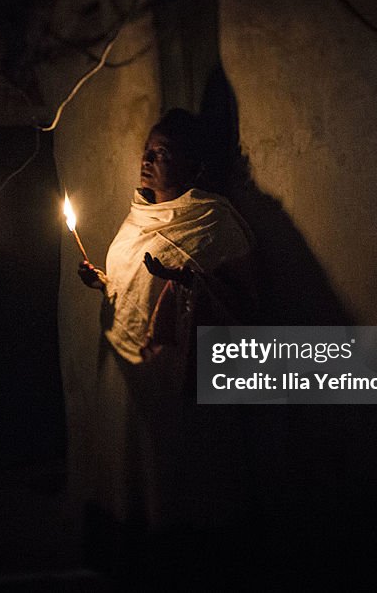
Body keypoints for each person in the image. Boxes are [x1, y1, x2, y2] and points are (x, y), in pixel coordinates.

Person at [77, 108, 259, 584]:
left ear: (194, 167)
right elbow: (131, 288)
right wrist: (103, 282)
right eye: (147, 149)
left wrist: (187, 282)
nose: (147, 158)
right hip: (124, 372)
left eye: (162, 152)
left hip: (177, 383)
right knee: (129, 472)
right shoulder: (138, 217)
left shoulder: (212, 223)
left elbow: (245, 307)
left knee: (175, 477)